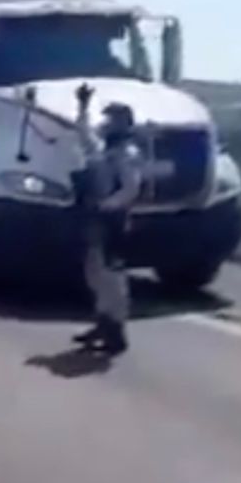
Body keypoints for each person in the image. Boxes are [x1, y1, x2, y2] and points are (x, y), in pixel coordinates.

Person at [71, 86, 144, 355]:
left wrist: (107, 206)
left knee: (112, 277)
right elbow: (83, 135)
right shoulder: (105, 149)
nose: (108, 123)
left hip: (114, 220)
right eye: (108, 118)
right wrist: (82, 106)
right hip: (96, 217)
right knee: (94, 272)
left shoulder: (127, 153)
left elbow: (130, 188)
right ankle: (102, 322)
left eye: (113, 119)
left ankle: (116, 329)